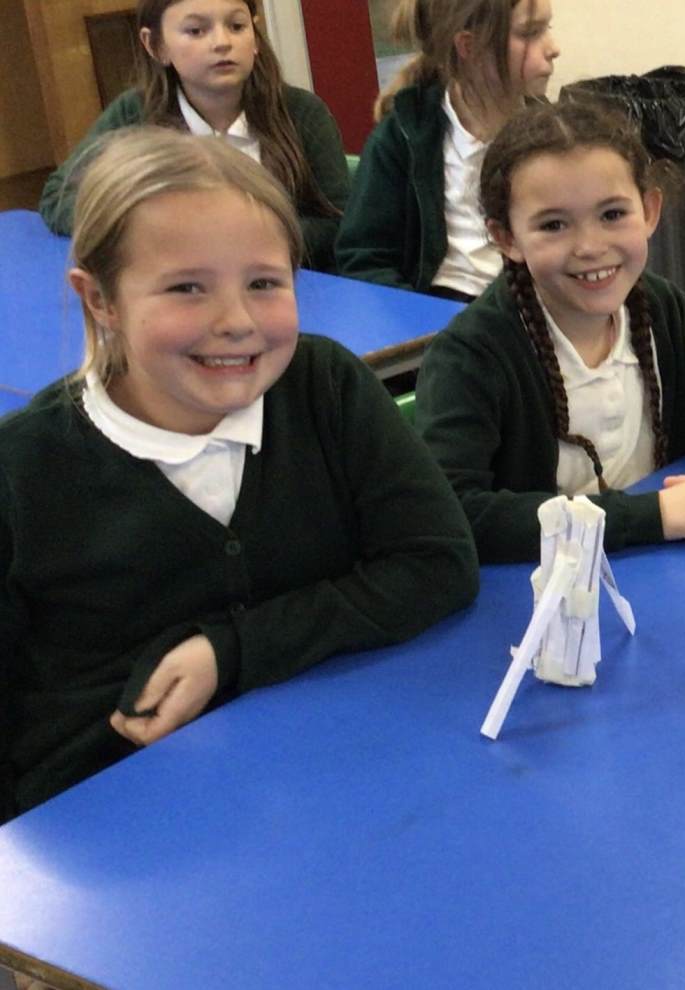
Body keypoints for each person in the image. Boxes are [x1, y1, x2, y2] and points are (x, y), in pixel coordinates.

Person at [0, 128, 478, 822]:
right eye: (186, 288)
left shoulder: (324, 387)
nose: (235, 321)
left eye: (264, 283)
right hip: (109, 817)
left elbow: (437, 563)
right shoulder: (22, 470)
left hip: (328, 776)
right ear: (100, 299)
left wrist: (231, 652)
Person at [415, 98, 685, 562]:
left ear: (650, 210)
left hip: (661, 571)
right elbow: (454, 513)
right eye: (553, 225)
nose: (590, 246)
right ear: (506, 238)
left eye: (613, 215)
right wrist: (654, 516)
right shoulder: (471, 355)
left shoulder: (659, 309)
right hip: (540, 593)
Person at [38, 0, 348, 270]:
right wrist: (147, 229)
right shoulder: (134, 114)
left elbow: (340, 222)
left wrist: (249, 237)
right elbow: (59, 197)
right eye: (196, 31)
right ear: (156, 46)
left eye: (237, 26)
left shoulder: (302, 112)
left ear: (255, 37)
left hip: (295, 286)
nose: (222, 42)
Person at [335, 0, 560, 297]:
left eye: (547, 28)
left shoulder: (556, 136)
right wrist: (417, 315)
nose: (553, 48)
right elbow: (364, 259)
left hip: (528, 308)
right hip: (435, 310)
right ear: (469, 47)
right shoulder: (401, 137)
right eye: (530, 33)